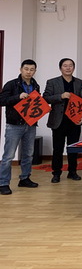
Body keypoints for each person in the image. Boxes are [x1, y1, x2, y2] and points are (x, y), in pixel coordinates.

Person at [0, 59, 40, 195]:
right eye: (26, 69)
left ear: (35, 71)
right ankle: (3, 183)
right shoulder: (11, 84)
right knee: (9, 156)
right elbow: (2, 100)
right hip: (14, 125)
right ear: (21, 69)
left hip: (30, 124)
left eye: (32, 69)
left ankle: (25, 178)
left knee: (28, 154)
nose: (29, 72)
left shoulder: (35, 85)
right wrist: (18, 97)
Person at [43, 58, 82, 183]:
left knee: (73, 148)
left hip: (74, 120)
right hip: (58, 121)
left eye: (70, 65)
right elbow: (45, 98)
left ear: (73, 68)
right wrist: (60, 96)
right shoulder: (52, 82)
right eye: (65, 65)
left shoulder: (80, 83)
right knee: (58, 149)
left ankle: (72, 172)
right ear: (60, 68)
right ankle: (56, 173)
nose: (68, 68)